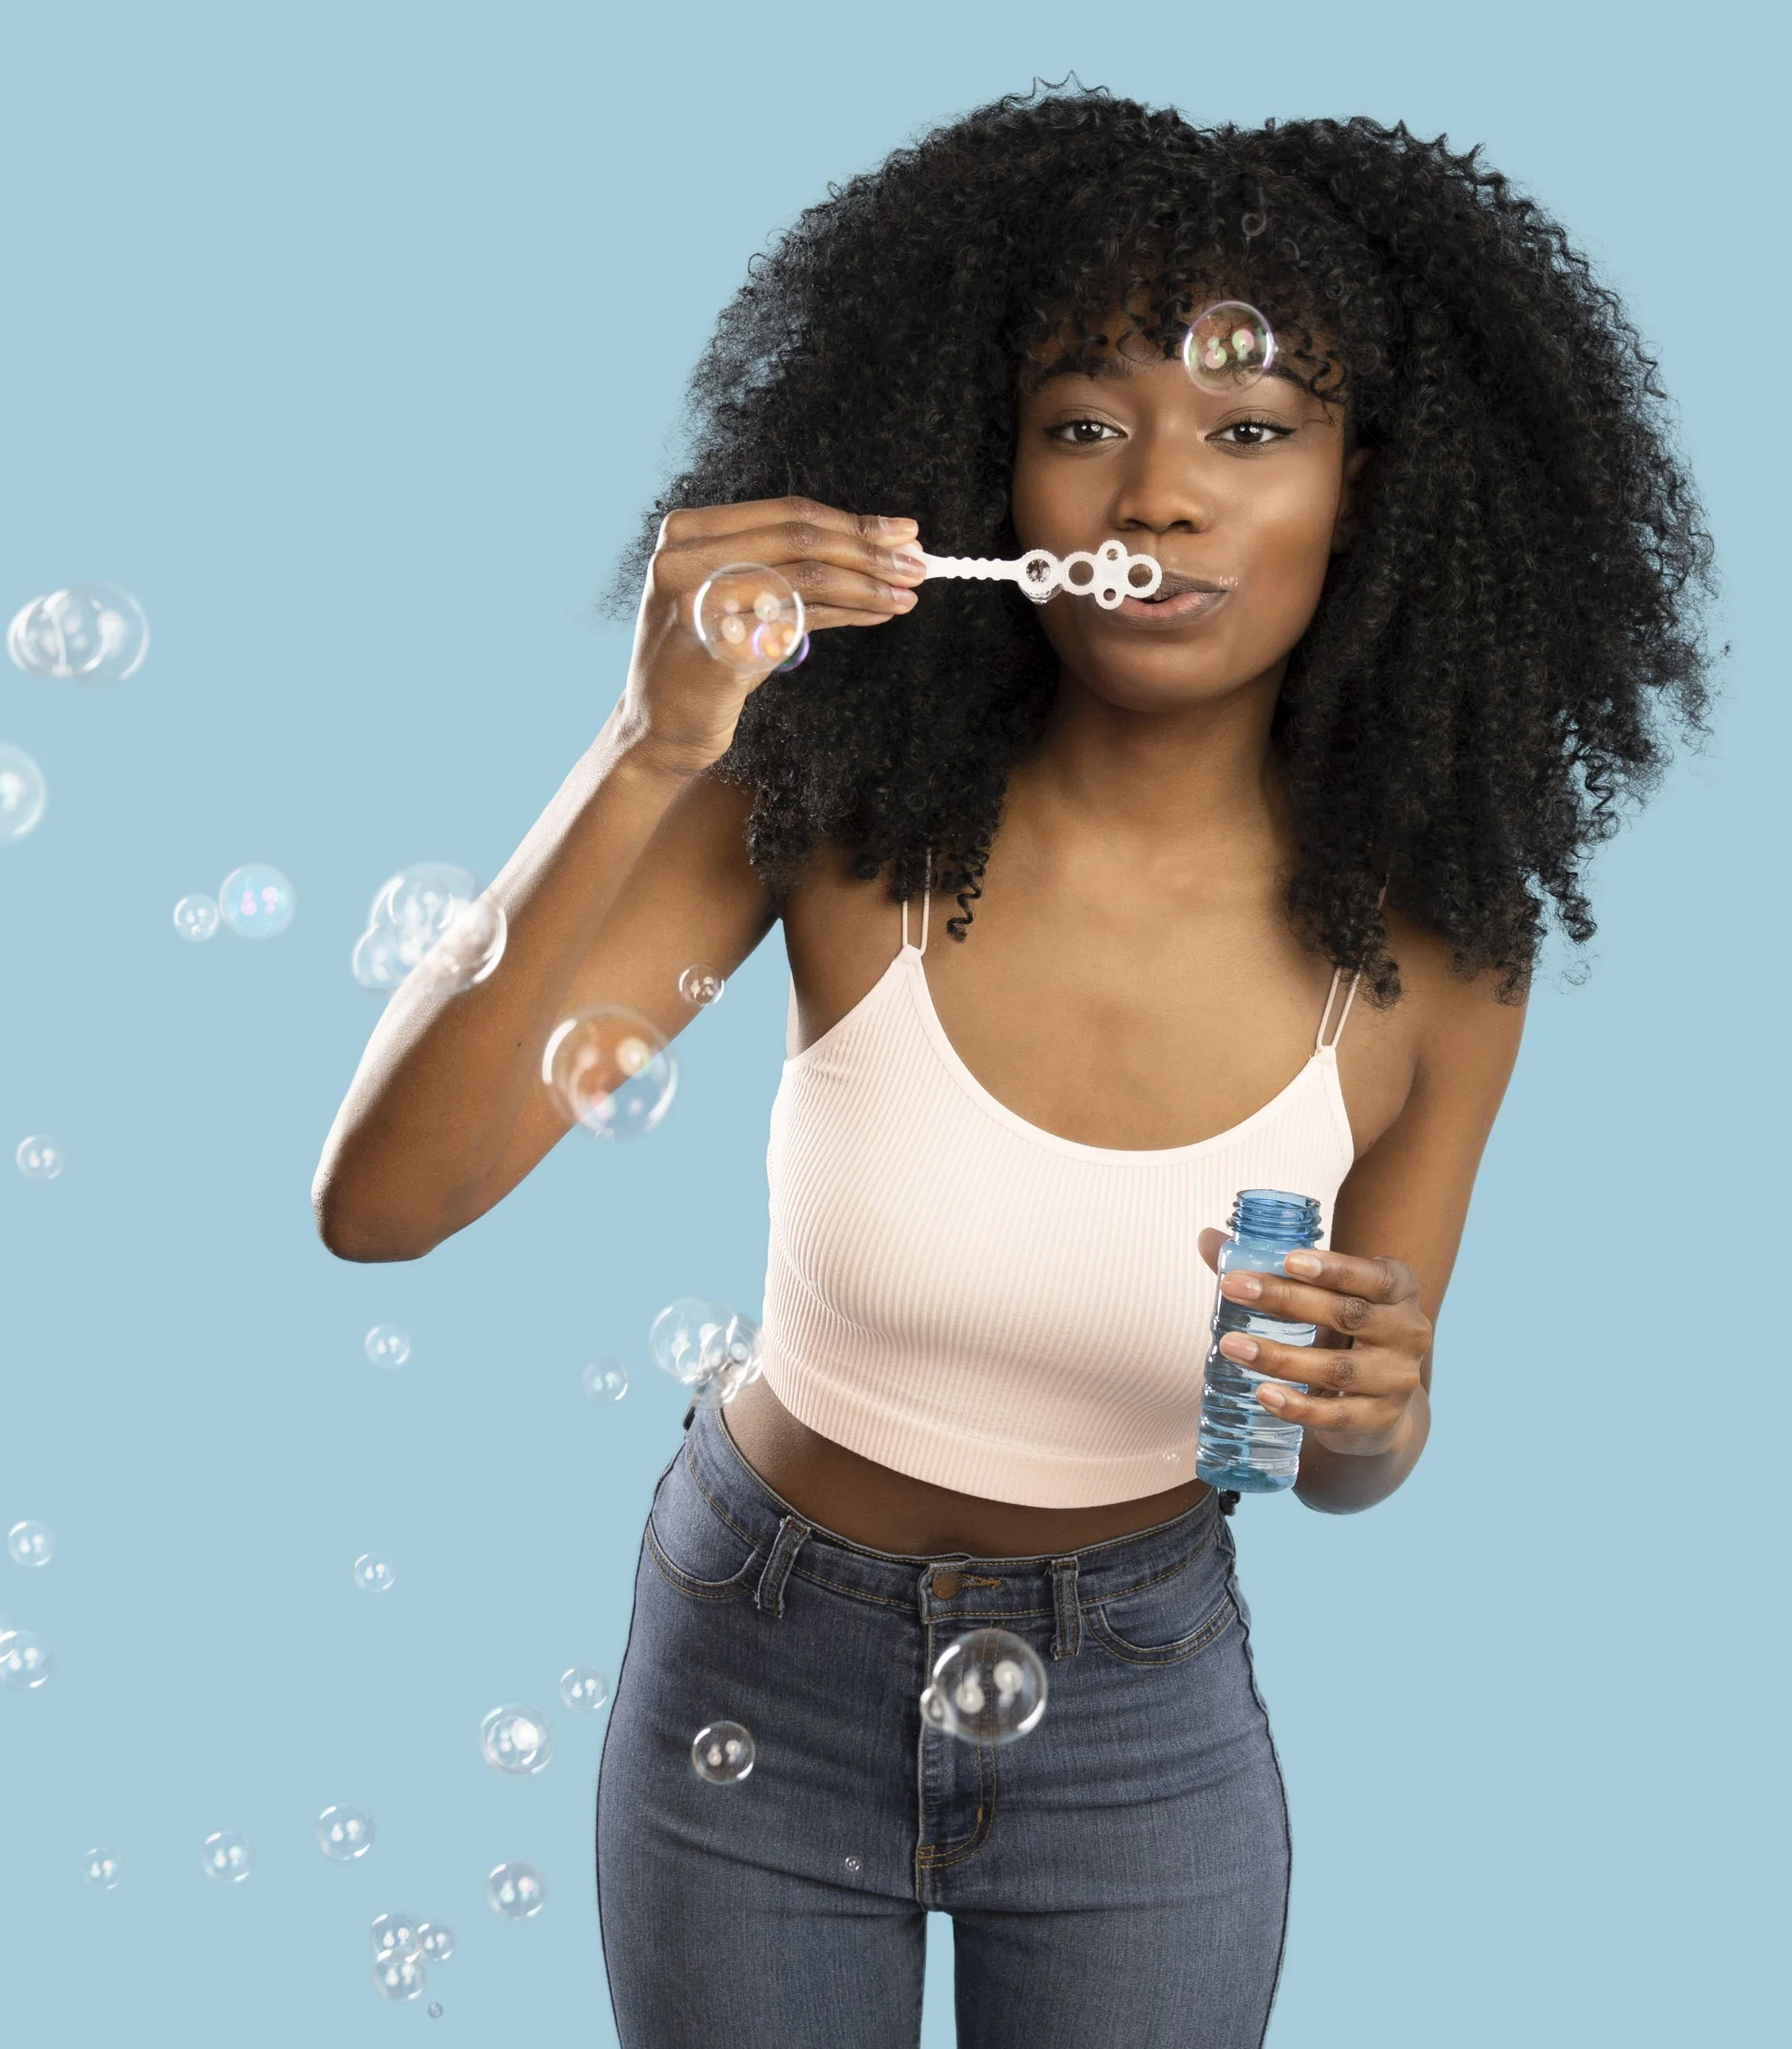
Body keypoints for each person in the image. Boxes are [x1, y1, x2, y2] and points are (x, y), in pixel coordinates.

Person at [313, 85, 1712, 2049]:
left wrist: (1383, 1402)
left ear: (1365, 490)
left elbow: (1333, 1455)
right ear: (989, 487)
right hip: (755, 1658)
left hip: (1141, 1709)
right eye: (1081, 425)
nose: (1157, 496)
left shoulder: (1435, 965)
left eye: (1249, 428)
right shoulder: (826, 819)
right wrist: (651, 741)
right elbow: (380, 1205)